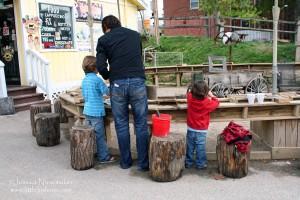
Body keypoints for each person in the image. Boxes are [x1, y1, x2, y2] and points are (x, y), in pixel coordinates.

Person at [96, 15, 149, 171]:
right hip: (138, 81)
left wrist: (108, 76)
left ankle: (125, 162)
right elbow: (137, 56)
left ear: (106, 26)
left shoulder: (104, 40)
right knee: (141, 123)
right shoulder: (135, 35)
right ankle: (143, 163)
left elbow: (100, 65)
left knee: (121, 124)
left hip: (117, 83)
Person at [81, 56, 115, 164]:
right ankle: (103, 157)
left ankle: (90, 152)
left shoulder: (84, 80)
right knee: (99, 135)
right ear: (96, 68)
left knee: (90, 134)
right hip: (96, 113)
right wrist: (110, 84)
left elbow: (86, 96)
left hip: (87, 111)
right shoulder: (97, 80)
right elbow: (107, 92)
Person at [185, 81, 219, 169]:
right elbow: (216, 103)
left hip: (191, 127)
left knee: (190, 146)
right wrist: (212, 96)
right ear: (205, 92)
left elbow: (188, 93)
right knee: (200, 147)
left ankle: (188, 163)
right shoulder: (207, 102)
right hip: (202, 129)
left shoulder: (190, 98)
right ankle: (200, 164)